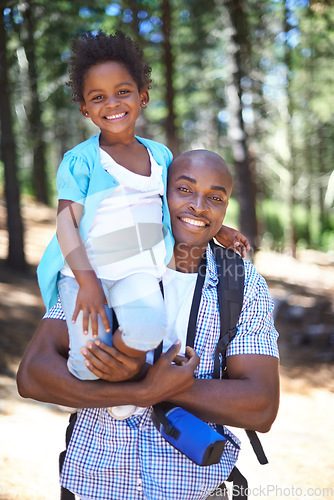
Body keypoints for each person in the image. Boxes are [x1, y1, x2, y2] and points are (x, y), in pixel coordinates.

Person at [17, 149, 280, 500]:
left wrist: (150, 381)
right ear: (159, 192)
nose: (199, 206)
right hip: (96, 486)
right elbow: (33, 375)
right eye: (184, 190)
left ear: (225, 207)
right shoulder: (104, 256)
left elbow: (261, 405)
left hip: (196, 490)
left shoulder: (241, 282)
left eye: (215, 198)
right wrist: (141, 392)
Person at [37, 30, 249, 385]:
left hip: (136, 271)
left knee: (149, 331)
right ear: (85, 108)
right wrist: (87, 282)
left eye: (123, 92)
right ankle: (99, 376)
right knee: (87, 366)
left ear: (143, 96)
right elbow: (65, 224)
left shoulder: (160, 156)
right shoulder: (81, 161)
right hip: (84, 274)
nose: (113, 103)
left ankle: (123, 370)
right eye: (98, 97)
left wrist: (220, 229)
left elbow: (176, 207)